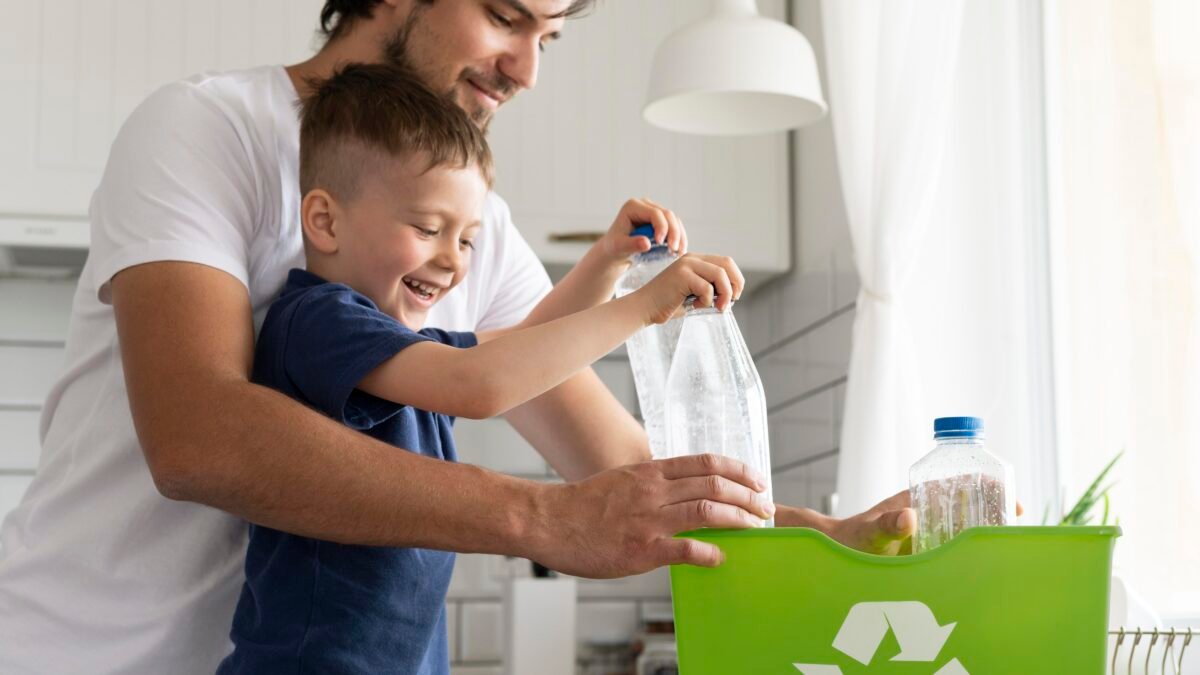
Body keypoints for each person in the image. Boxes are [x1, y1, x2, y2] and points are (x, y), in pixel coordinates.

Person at [0, 2, 916, 672]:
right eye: (505, 16)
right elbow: (197, 437)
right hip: (82, 652)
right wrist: (542, 518)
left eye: (548, 38)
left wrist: (821, 534)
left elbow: (618, 466)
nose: (526, 68)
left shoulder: (462, 222)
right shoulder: (210, 130)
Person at [218, 62, 758, 674]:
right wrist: (640, 309)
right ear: (324, 221)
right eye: (427, 229)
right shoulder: (316, 322)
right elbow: (481, 386)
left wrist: (606, 264)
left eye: (468, 239)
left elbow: (525, 351)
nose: (451, 261)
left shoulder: (397, 346)